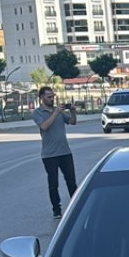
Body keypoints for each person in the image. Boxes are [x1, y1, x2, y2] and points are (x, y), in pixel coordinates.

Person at [32, 86, 78, 219]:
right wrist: (56, 113)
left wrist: (73, 112)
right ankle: (56, 210)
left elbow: (72, 122)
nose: (52, 99)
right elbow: (44, 127)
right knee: (53, 183)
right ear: (41, 98)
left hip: (65, 152)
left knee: (71, 181)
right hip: (49, 155)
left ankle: (75, 205)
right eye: (49, 97)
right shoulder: (38, 113)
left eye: (53, 96)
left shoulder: (58, 110)